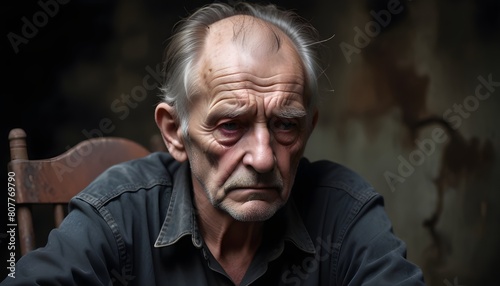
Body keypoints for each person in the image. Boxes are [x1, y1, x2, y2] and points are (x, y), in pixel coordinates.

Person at [1, 2, 426, 285]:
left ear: (308, 129)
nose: (263, 158)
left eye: (285, 126)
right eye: (229, 126)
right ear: (175, 133)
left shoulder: (344, 211)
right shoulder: (119, 213)